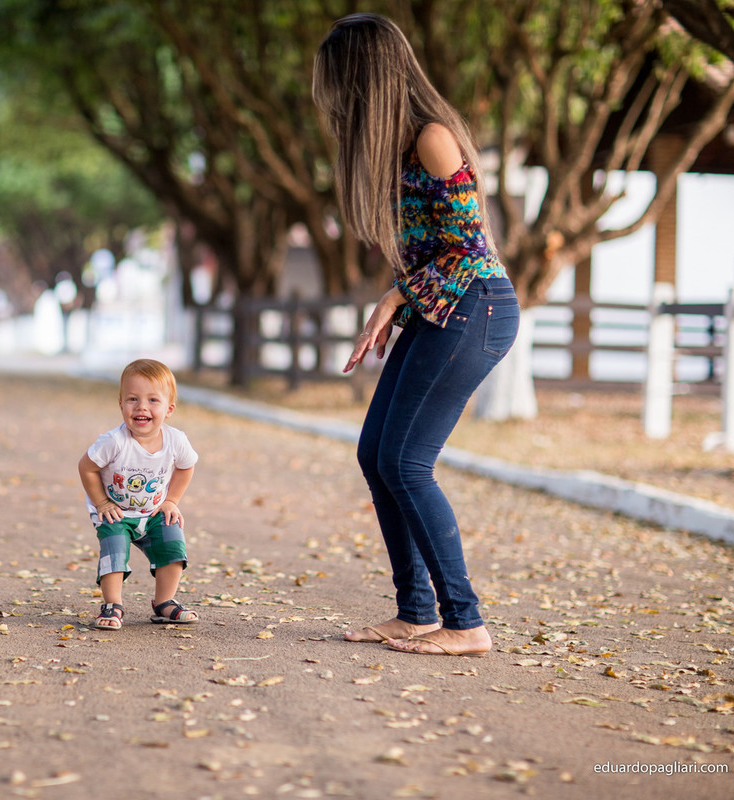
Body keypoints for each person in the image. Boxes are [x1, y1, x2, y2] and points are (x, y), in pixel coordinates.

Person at [312, 15, 520, 657]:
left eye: (336, 81)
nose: (330, 97)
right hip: (443, 308)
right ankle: (417, 612)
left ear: (364, 79)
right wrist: (400, 300)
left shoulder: (433, 139)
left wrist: (394, 296)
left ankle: (466, 623)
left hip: (476, 307)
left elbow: (468, 247)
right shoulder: (400, 148)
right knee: (376, 454)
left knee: (406, 462)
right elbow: (433, 252)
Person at [78, 359, 199, 629]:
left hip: (153, 511)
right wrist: (102, 502)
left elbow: (186, 466)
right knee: (115, 549)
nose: (142, 407)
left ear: (169, 409)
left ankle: (164, 602)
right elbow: (86, 467)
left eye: (153, 400)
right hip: (116, 512)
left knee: (172, 541)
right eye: (133, 399)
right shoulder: (114, 442)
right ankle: (113, 605)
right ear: (121, 404)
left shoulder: (176, 440)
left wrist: (171, 500)